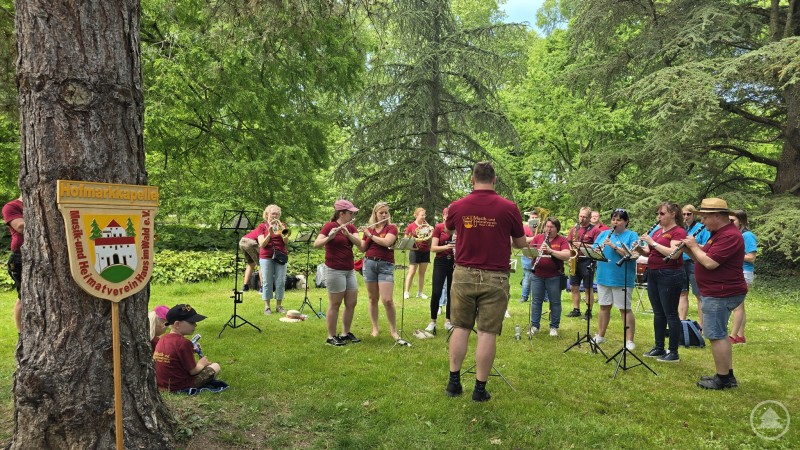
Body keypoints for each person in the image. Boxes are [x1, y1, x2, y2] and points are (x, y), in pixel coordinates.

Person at [444, 161, 527, 402]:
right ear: (494, 180)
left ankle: (453, 383)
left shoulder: (457, 206)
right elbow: (521, 243)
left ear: (472, 179)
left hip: (463, 274)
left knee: (460, 327)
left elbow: (449, 230)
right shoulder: (509, 207)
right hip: (495, 276)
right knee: (487, 332)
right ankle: (479, 390)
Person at [683, 198, 747, 389]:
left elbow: (710, 263)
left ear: (717, 216)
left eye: (705, 217)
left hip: (721, 292)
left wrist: (694, 246)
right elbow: (703, 258)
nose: (702, 221)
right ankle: (727, 374)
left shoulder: (729, 236)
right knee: (720, 334)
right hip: (717, 290)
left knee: (716, 335)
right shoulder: (718, 234)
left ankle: (722, 378)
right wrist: (690, 250)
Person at [639, 202, 687, 362]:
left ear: (673, 214)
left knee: (671, 313)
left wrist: (652, 242)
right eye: (657, 214)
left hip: (670, 274)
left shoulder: (679, 231)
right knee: (658, 312)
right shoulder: (658, 231)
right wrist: (639, 248)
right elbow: (649, 252)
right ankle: (659, 347)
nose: (658, 217)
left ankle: (673, 351)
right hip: (653, 272)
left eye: (662, 213)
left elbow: (674, 253)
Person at [314, 199, 363, 346]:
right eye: (350, 213)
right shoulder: (329, 226)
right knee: (335, 303)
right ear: (341, 213)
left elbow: (360, 245)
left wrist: (348, 235)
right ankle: (331, 336)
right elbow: (316, 244)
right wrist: (329, 237)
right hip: (334, 269)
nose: (352, 215)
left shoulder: (351, 227)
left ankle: (345, 333)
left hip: (349, 270)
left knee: (351, 302)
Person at [360, 202, 409, 345]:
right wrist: (350, 236)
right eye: (381, 213)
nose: (384, 215)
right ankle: (375, 328)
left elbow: (387, 242)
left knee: (387, 300)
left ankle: (393, 330)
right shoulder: (370, 228)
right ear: (375, 214)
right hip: (369, 263)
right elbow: (362, 248)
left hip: (385, 265)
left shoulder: (392, 228)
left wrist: (370, 235)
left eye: (386, 212)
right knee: (372, 298)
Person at [591, 209, 639, 350]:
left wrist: (614, 246)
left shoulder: (632, 235)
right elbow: (594, 250)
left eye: (619, 220)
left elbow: (632, 254)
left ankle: (629, 340)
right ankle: (600, 335)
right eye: (613, 219)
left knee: (625, 309)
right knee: (604, 306)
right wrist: (597, 250)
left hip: (622, 276)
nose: (615, 222)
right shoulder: (603, 234)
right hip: (603, 275)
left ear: (626, 221)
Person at [154, 304, 222, 392]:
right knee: (216, 366)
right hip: (179, 386)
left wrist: (190, 351)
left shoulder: (162, 339)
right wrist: (202, 364)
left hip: (161, 384)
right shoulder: (184, 343)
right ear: (177, 324)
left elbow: (174, 356)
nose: (195, 325)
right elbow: (193, 371)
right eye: (191, 322)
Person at [527, 217, 571, 337]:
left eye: (552, 227)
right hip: (537, 274)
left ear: (557, 228)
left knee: (555, 302)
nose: (548, 229)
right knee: (536, 301)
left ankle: (554, 326)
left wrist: (551, 251)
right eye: (547, 226)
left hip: (554, 276)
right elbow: (529, 253)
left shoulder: (561, 240)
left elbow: (566, 255)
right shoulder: (538, 238)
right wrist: (537, 251)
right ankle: (535, 325)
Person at [566, 207, 601, 320]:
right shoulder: (574, 229)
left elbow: (598, 246)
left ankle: (588, 311)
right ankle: (576, 309)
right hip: (575, 259)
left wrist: (582, 245)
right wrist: (570, 251)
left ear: (590, 217)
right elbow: (569, 242)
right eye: (580, 216)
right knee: (573, 286)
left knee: (587, 287)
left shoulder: (595, 230)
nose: (582, 219)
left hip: (587, 260)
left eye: (584, 217)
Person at [424, 207, 455, 335]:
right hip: (441, 261)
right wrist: (446, 246)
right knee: (436, 292)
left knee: (451, 293)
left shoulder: (457, 228)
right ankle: (433, 321)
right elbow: (433, 248)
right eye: (446, 216)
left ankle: (448, 321)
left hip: (454, 262)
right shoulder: (439, 227)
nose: (448, 218)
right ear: (443, 216)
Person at [678, 205, 710, 327]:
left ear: (694, 215)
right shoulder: (681, 228)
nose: (686, 216)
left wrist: (693, 244)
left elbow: (707, 247)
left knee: (699, 294)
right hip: (681, 262)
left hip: (694, 263)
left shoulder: (702, 228)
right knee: (682, 293)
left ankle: (702, 326)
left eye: (689, 214)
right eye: (684, 214)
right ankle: (681, 324)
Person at [729, 209, 757, 344]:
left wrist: (732, 255)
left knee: (737, 306)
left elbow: (751, 257)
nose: (729, 223)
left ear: (741, 221)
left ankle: (733, 336)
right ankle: (740, 336)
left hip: (744, 273)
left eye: (732, 220)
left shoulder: (748, 235)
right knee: (740, 305)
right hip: (736, 272)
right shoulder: (736, 235)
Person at [257, 205, 290, 314]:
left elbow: (286, 242)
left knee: (280, 281)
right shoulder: (262, 226)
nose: (275, 216)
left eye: (277, 214)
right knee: (267, 281)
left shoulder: (282, 225)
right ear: (267, 214)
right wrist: (269, 234)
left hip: (280, 255)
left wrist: (283, 230)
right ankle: (267, 306)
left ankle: (279, 306)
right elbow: (262, 244)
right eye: (273, 213)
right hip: (266, 256)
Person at [3, 196, 23, 331]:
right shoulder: (11, 206)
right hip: (20, 257)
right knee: (24, 296)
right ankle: (21, 334)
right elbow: (20, 227)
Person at [403, 208, 431, 300]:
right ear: (416, 215)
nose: (423, 217)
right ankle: (406, 292)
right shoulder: (411, 226)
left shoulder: (426, 225)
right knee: (412, 272)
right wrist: (413, 240)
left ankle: (420, 292)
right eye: (422, 215)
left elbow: (430, 236)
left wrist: (430, 229)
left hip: (425, 250)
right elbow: (406, 238)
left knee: (422, 273)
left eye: (424, 215)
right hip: (414, 250)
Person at [519, 210, 538, 303]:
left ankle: (544, 297)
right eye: (532, 218)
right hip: (528, 253)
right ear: (529, 218)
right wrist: (535, 238)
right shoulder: (525, 227)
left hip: (539, 253)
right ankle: (524, 296)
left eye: (536, 218)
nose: (534, 219)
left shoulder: (542, 227)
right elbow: (523, 240)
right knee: (527, 276)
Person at [239, 226, 263, 292]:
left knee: (251, 264)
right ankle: (262, 288)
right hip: (250, 242)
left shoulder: (261, 226)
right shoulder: (266, 228)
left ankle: (245, 287)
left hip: (242, 241)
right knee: (262, 263)